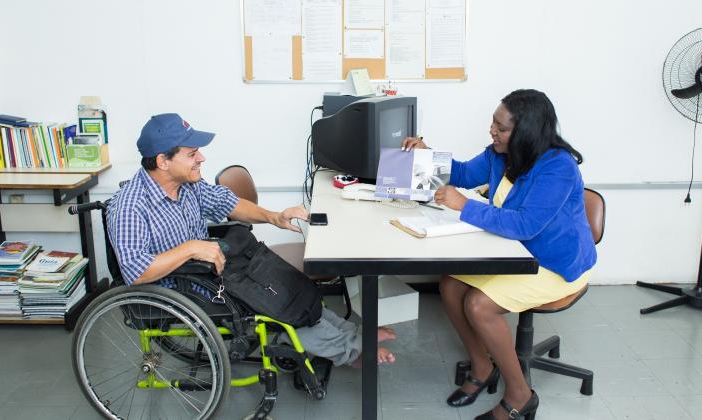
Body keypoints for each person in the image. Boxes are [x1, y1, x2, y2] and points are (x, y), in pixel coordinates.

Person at [107, 113, 396, 367]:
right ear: (163, 161)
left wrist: (274, 217)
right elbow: (137, 272)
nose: (202, 158)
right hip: (181, 290)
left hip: (208, 272)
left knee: (289, 284)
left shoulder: (186, 186)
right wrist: (191, 248)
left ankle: (352, 334)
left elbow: (229, 203)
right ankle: (351, 350)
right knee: (278, 302)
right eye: (192, 153)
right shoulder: (130, 206)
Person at [402, 89, 596, 420]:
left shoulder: (557, 168)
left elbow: (526, 225)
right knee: (450, 285)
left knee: (479, 304)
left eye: (501, 127)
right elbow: (463, 173)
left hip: (553, 264)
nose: (492, 131)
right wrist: (427, 153)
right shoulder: (501, 153)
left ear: (527, 132)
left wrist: (464, 206)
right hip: (513, 252)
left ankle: (521, 395)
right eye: (493, 122)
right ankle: (482, 367)